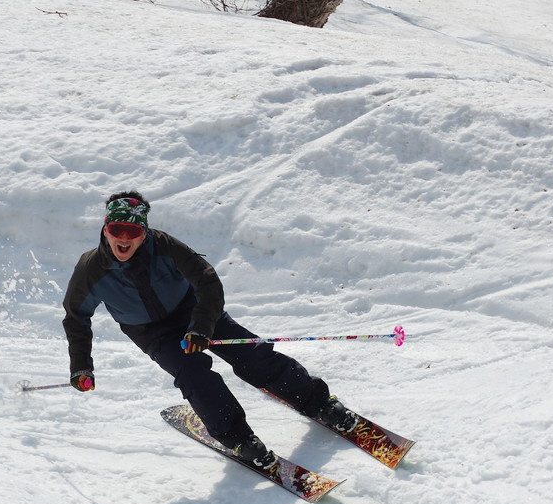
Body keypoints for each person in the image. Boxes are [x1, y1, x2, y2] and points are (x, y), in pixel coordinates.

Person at [62, 190, 356, 472]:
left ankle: (317, 401)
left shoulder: (165, 247)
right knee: (194, 374)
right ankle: (238, 438)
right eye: (117, 230)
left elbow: (207, 281)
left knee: (252, 354)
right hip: (153, 333)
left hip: (194, 312)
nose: (124, 238)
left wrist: (201, 326)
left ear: (145, 233)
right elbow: (76, 318)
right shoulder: (90, 270)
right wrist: (81, 366)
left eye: (133, 231)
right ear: (105, 229)